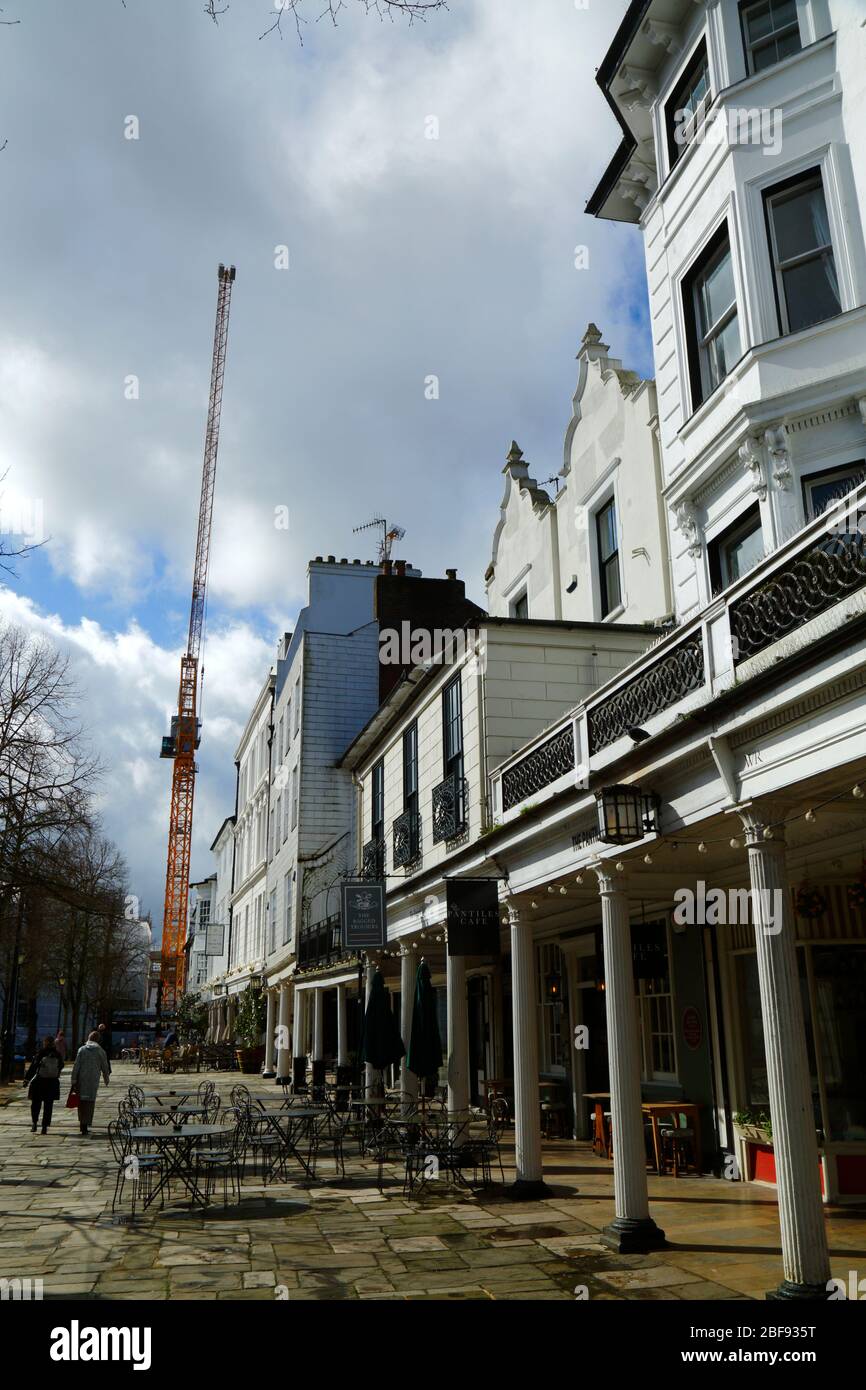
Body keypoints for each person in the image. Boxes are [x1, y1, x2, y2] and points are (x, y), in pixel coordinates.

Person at [70, 1031, 111, 1136]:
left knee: (82, 1101)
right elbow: (104, 1066)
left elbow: (76, 1065)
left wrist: (73, 1079)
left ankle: (82, 1124)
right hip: (93, 1080)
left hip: (81, 1079)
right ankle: (86, 1123)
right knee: (90, 1102)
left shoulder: (82, 1050)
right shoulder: (100, 1051)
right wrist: (106, 1078)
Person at [23, 1037, 63, 1134]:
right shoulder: (57, 1054)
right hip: (52, 1082)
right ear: (53, 1043)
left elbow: (33, 1067)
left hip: (40, 1082)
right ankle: (44, 1126)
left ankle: (34, 1123)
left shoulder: (40, 1053)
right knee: (48, 1106)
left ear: (45, 1043)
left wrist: (27, 1079)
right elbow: (61, 1066)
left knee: (36, 1104)